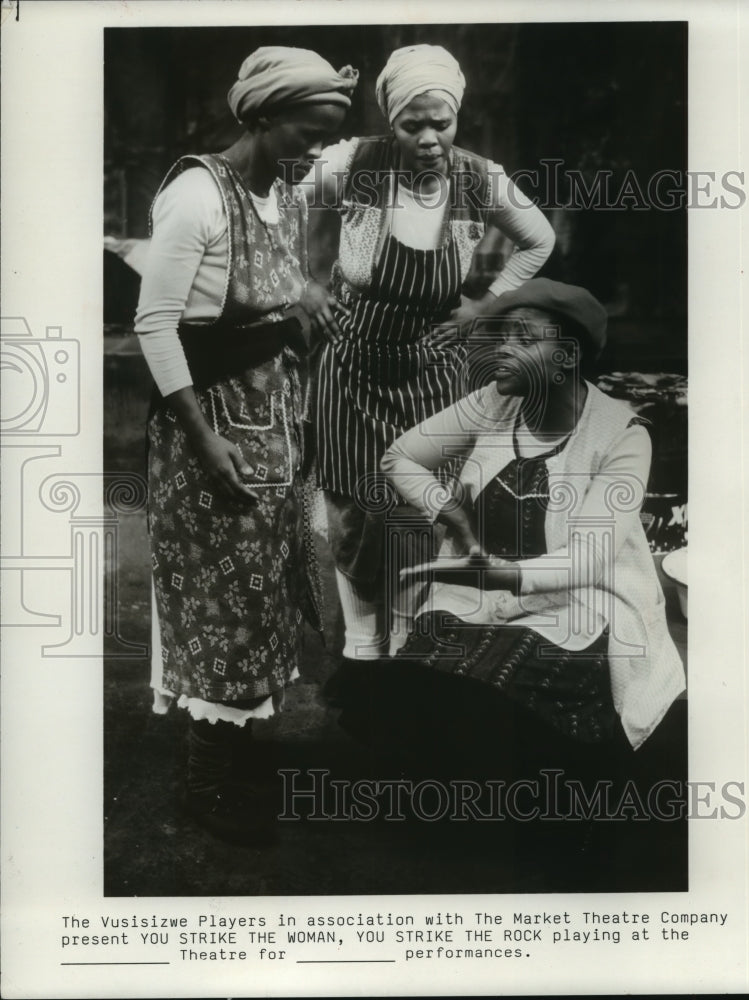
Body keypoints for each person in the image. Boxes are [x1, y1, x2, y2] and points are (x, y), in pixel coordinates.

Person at [334, 280, 686, 817]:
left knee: (511, 675)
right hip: (479, 596)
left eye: (523, 338)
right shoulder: (493, 403)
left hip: (582, 604)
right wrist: (444, 507)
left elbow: (587, 558)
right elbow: (399, 456)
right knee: (419, 669)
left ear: (567, 357)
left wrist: (503, 576)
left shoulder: (622, 435)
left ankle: (552, 801)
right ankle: (474, 787)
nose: (502, 349)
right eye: (501, 336)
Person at [134, 46, 357, 843]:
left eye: (326, 137)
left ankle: (236, 754)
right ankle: (205, 783)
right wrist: (203, 440)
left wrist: (306, 299)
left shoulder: (278, 191)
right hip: (213, 426)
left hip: (272, 419)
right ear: (260, 117)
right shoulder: (197, 195)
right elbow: (155, 326)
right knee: (220, 600)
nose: (314, 151)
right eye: (306, 132)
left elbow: (271, 285)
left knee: (262, 591)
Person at [300, 44, 556, 664]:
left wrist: (484, 306)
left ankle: (406, 653)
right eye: (411, 125)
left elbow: (538, 239)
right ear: (391, 123)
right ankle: (362, 653)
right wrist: (301, 283)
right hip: (352, 368)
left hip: (430, 374)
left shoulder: (480, 178)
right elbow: (274, 208)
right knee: (355, 514)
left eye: (441, 123)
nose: (428, 139)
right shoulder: (353, 162)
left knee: (420, 515)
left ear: (456, 117)